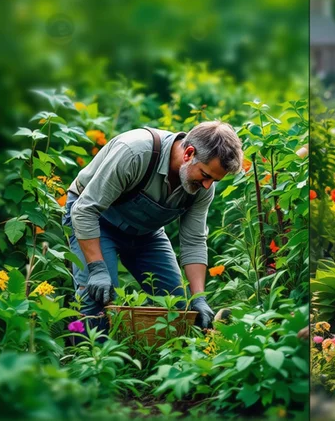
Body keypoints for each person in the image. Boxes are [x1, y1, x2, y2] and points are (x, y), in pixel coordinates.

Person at [63, 121, 244, 330]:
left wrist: (199, 299)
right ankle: (90, 361)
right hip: (95, 220)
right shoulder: (135, 152)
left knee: (176, 308)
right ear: (189, 153)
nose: (207, 186)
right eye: (205, 175)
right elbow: (85, 210)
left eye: (214, 180)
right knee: (98, 298)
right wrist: (96, 268)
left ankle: (151, 361)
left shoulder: (203, 187)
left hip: (146, 233)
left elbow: (194, 241)